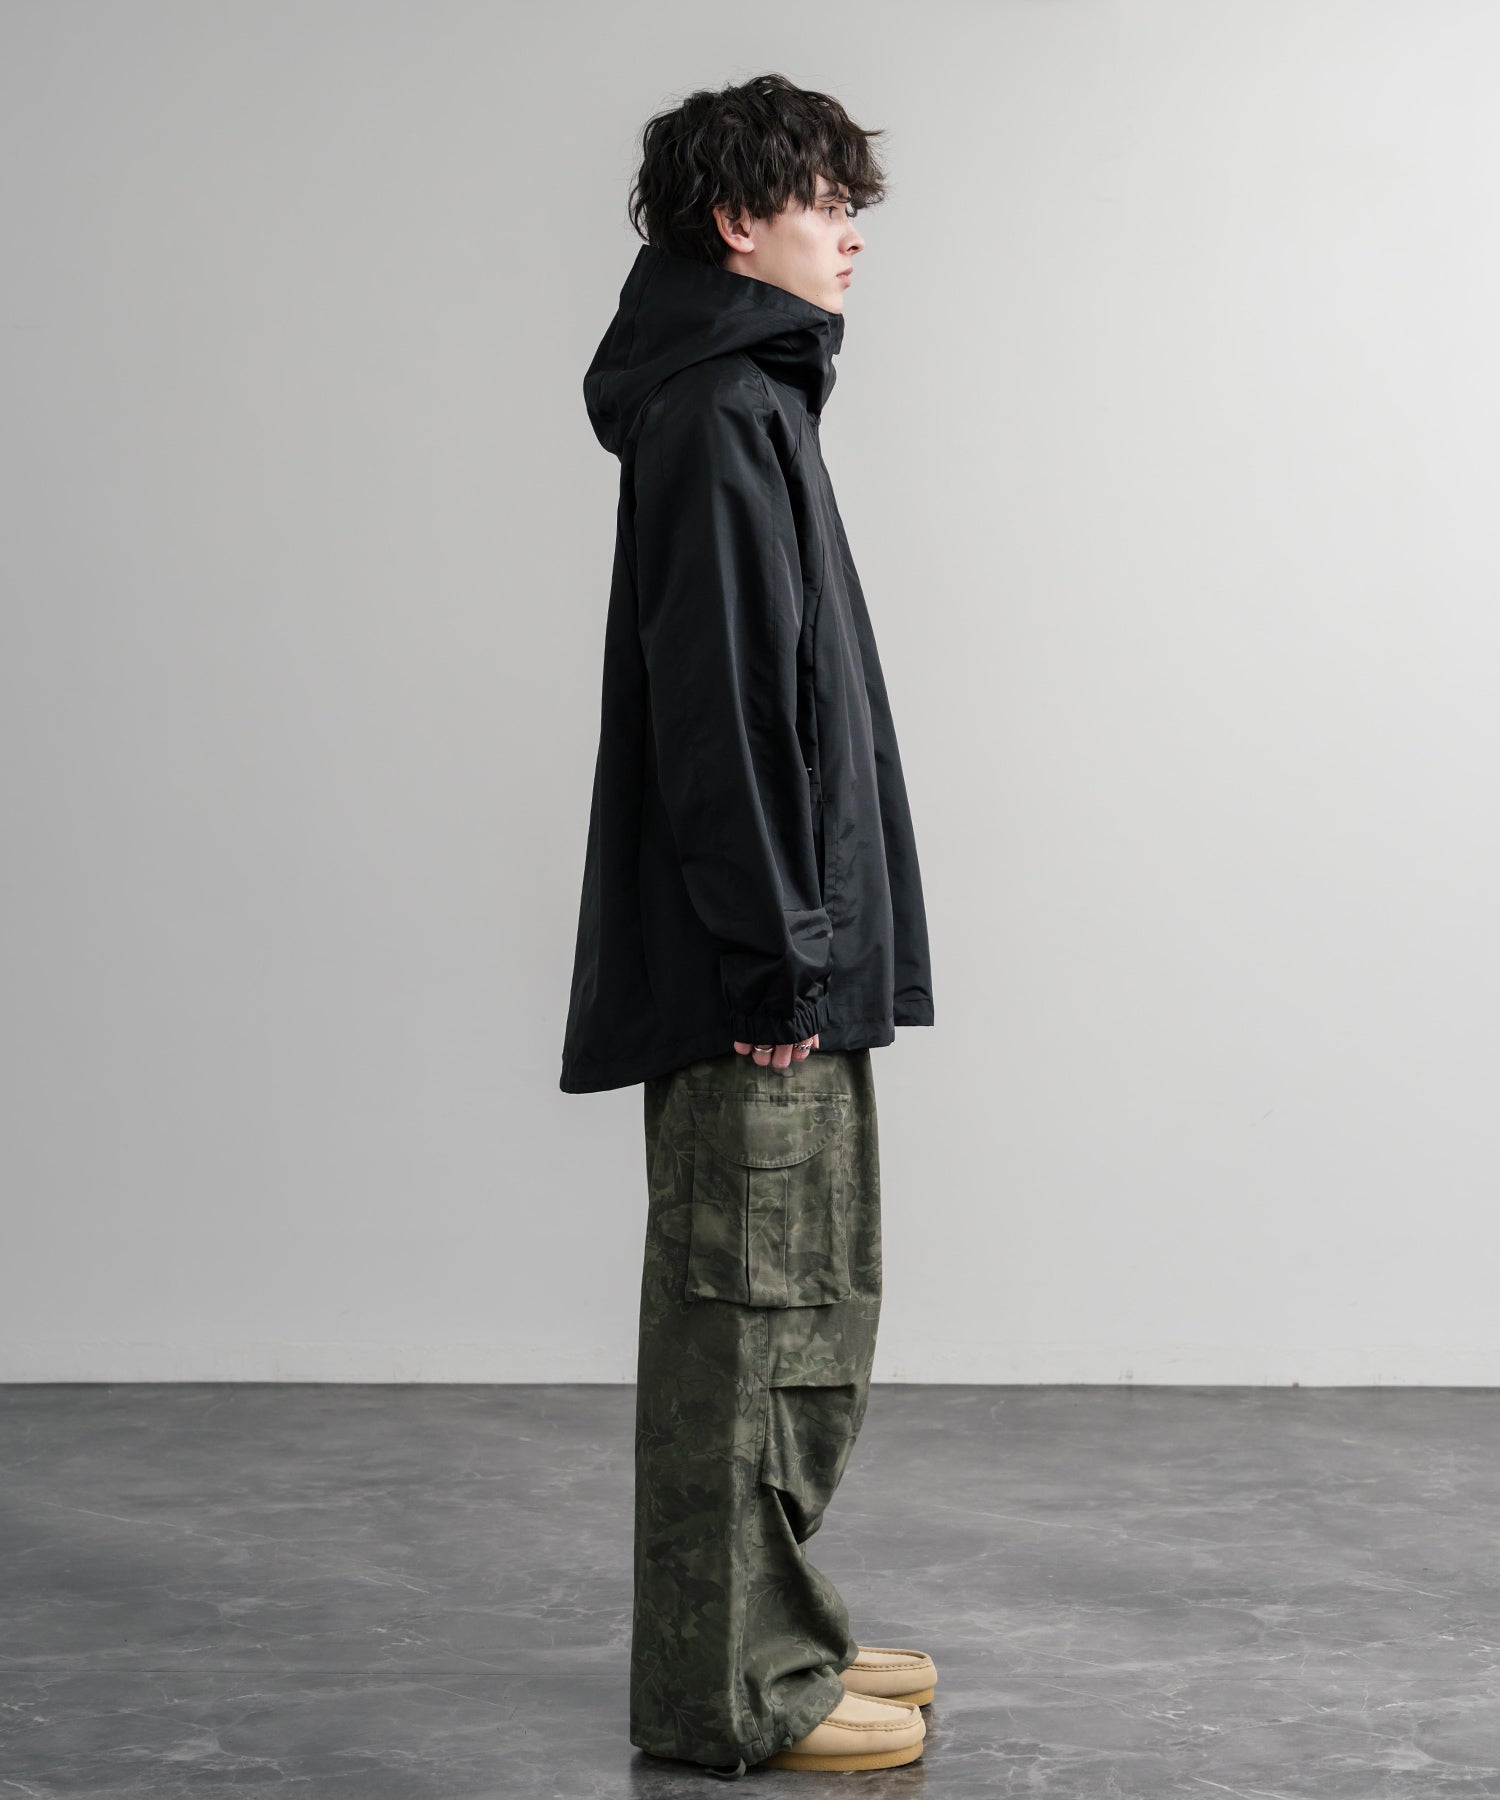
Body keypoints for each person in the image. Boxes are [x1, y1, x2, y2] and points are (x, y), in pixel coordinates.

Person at [558, 72, 937, 1776]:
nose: (849, 234)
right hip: (760, 968)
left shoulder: (751, 394)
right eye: (823, 202)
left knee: (804, 1308)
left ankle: (781, 1636)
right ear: (738, 221)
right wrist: (774, 957)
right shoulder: (718, 410)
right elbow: (722, 712)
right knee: (749, 1320)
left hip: (795, 947)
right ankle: (731, 1689)